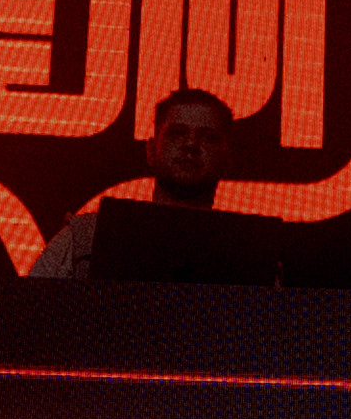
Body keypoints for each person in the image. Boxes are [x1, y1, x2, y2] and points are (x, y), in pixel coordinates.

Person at [27, 79, 285, 279]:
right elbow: (28, 314)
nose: (191, 145)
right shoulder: (84, 238)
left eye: (208, 137)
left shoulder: (251, 256)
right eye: (177, 133)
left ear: (228, 159)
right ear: (150, 150)